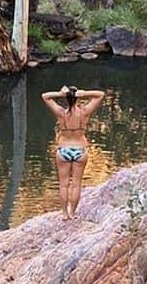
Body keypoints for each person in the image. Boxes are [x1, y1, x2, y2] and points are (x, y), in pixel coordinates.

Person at [41, 83, 104, 220]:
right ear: (77, 98)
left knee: (63, 184)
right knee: (76, 183)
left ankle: (64, 214)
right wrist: (84, 92)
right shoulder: (84, 112)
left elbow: (45, 96)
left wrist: (60, 94)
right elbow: (100, 94)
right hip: (80, 150)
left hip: (63, 149)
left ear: (66, 99)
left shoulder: (61, 113)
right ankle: (72, 213)